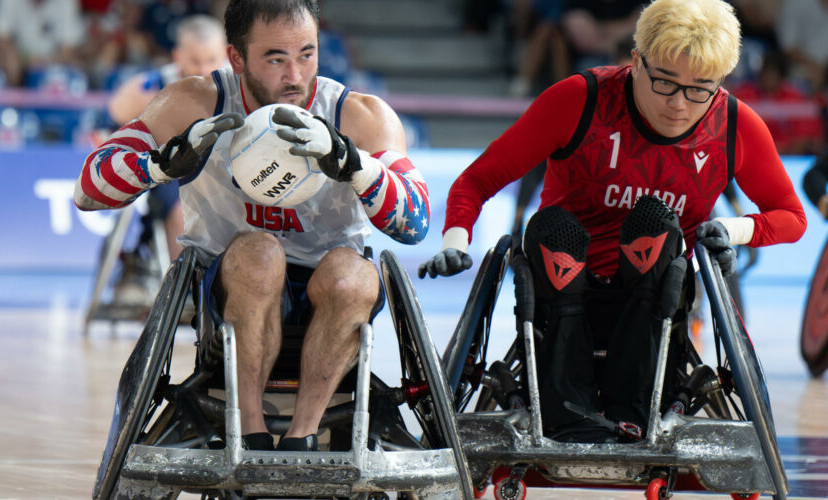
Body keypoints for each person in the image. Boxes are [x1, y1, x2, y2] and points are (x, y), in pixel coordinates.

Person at [420, 0, 805, 443]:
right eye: (665, 82)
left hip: (655, 295)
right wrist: (455, 240)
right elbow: (477, 180)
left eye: (701, 88)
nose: (680, 104)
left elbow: (791, 217)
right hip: (564, 281)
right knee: (552, 226)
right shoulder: (578, 98)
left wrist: (734, 230)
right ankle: (566, 410)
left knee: (657, 225)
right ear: (636, 62)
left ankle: (635, 408)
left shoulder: (735, 124)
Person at [74, 0, 429, 452]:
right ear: (237, 58)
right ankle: (253, 433)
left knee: (355, 274)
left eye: (307, 53)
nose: (295, 76)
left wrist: (356, 167)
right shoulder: (195, 101)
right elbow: (88, 186)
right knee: (261, 253)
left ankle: (302, 438)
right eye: (276, 58)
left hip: (328, 290)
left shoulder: (358, 115)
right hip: (229, 285)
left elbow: (416, 221)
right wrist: (160, 165)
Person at [108, 14, 229, 263]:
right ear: (178, 56)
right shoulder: (152, 86)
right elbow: (114, 114)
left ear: (227, 55)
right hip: (173, 176)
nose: (204, 70)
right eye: (195, 61)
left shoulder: (242, 86)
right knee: (183, 207)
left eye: (212, 60)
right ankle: (185, 288)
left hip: (229, 172)